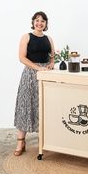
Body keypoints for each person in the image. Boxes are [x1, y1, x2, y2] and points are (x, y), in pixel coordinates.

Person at [14, 11, 55, 156]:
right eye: (37, 20)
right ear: (33, 22)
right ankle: (21, 141)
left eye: (43, 21)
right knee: (25, 106)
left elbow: (52, 57)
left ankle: (44, 141)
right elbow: (22, 58)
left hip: (45, 75)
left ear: (46, 24)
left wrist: (50, 64)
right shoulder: (26, 37)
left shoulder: (49, 39)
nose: (40, 23)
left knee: (44, 106)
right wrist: (38, 68)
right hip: (30, 75)